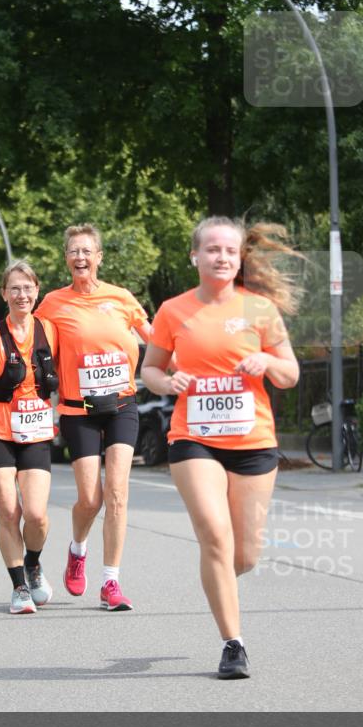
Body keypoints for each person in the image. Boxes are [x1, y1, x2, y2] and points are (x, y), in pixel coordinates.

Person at [142, 216, 301, 679]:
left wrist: (268, 359)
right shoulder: (173, 310)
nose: (222, 257)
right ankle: (233, 644)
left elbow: (290, 374)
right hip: (194, 437)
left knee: (245, 555)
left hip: (252, 439)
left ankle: (216, 580)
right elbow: (151, 369)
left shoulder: (260, 310)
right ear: (195, 256)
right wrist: (169, 380)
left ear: (240, 259)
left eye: (230, 251)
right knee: (214, 533)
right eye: (212, 250)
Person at [34, 224, 151, 611]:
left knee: (117, 494)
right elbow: (28, 339)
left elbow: (153, 337)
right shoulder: (52, 303)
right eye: (73, 251)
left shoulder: (120, 297)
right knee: (91, 499)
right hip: (77, 410)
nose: (80, 257)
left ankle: (111, 582)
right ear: (66, 258)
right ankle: (77, 549)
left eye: (87, 251)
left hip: (122, 405)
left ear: (99, 256)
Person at [0, 261, 59, 614]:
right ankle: (19, 586)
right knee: (8, 509)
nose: (22, 295)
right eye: (15, 289)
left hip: (36, 430)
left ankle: (33, 563)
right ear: (4, 294)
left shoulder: (50, 330)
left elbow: (65, 377)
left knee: (35, 515)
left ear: (37, 291)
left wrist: (84, 406)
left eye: (28, 288)